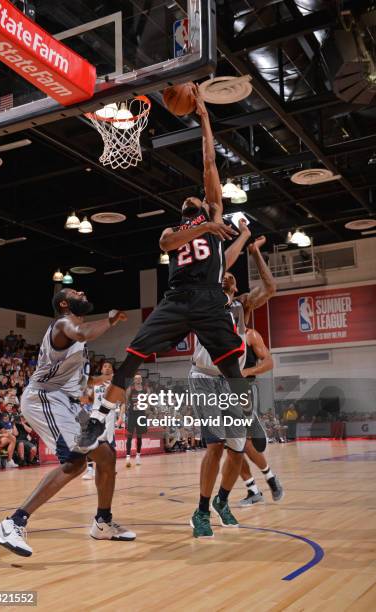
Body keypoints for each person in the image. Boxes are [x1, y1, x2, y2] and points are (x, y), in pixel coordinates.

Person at [77, 85, 251, 453]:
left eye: (195, 198)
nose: (190, 197)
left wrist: (204, 118)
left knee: (232, 367)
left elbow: (208, 163)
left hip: (208, 298)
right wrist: (204, 227)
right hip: (174, 300)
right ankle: (99, 418)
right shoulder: (177, 230)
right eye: (186, 201)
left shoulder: (214, 210)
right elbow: (166, 244)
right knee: (132, 359)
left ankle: (245, 421)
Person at [0, 288, 136, 558]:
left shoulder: (79, 343)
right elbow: (81, 333)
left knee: (106, 456)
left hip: (68, 403)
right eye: (74, 291)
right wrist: (112, 319)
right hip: (45, 398)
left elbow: (80, 379)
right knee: (76, 461)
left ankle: (103, 522)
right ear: (66, 303)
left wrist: (101, 382)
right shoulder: (63, 324)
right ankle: (13, 523)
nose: (82, 290)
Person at [189, 233, 276, 538]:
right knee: (215, 445)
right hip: (204, 378)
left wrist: (254, 252)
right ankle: (200, 512)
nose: (227, 276)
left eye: (231, 276)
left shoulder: (242, 307)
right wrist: (239, 237)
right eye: (223, 273)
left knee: (237, 450)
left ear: (236, 287)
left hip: (231, 382)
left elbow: (270, 288)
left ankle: (221, 501)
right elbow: (218, 263)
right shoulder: (204, 298)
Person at [238, 327, 283, 506]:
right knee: (233, 448)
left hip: (242, 392)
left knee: (246, 444)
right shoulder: (220, 335)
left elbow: (269, 362)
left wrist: (247, 371)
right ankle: (253, 490)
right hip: (222, 395)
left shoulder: (251, 335)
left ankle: (270, 479)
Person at [82, 361, 123, 480]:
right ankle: (90, 470)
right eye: (105, 366)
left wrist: (120, 416)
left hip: (109, 414)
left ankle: (110, 469)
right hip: (95, 413)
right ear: (101, 370)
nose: (107, 368)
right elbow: (90, 399)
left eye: (110, 366)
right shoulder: (95, 383)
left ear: (112, 370)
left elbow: (122, 400)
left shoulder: (116, 384)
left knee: (109, 444)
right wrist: (80, 399)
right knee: (89, 441)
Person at [125, 374, 149, 467]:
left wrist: (144, 406)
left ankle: (138, 456)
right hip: (132, 414)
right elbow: (126, 402)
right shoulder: (130, 389)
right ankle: (128, 456)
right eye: (136, 378)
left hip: (141, 414)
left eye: (139, 378)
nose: (138, 380)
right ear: (134, 380)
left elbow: (148, 401)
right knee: (129, 436)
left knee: (139, 436)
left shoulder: (146, 389)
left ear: (141, 380)